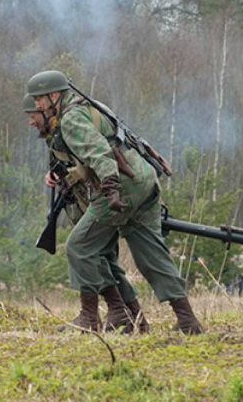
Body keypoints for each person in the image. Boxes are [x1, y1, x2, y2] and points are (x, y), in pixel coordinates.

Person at [25, 71, 202, 334]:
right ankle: (186, 321)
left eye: (38, 101)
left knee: (79, 246)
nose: (35, 107)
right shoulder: (91, 108)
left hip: (121, 186)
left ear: (53, 96)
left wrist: (110, 188)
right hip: (143, 182)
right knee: (151, 255)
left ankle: (91, 316)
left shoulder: (71, 118)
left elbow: (101, 154)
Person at [24, 93, 151, 333]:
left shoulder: (71, 125)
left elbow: (97, 159)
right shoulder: (56, 136)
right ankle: (136, 320)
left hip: (106, 197)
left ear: (47, 110)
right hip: (87, 199)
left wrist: (83, 178)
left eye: (34, 116)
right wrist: (56, 175)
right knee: (104, 259)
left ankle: (95, 316)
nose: (31, 122)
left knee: (82, 248)